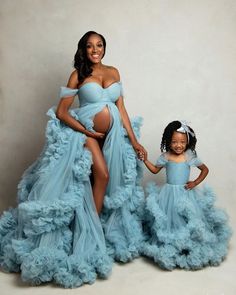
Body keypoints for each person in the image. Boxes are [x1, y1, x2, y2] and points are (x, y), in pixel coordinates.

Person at [0, 31, 146, 288]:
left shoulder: (114, 72)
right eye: (89, 46)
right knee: (101, 174)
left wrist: (134, 141)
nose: (95, 49)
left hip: (110, 137)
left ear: (104, 48)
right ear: (83, 49)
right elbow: (62, 112)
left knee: (97, 181)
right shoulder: (78, 74)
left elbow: (121, 108)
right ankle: (91, 232)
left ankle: (94, 222)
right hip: (85, 130)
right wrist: (87, 131)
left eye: (99, 45)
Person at [142, 120, 232, 270]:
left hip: (185, 193)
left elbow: (205, 170)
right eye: (174, 142)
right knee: (169, 218)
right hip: (169, 193)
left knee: (186, 218)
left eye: (182, 142)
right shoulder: (165, 156)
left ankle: (186, 244)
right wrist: (145, 160)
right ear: (168, 141)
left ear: (188, 142)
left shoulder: (189, 156)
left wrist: (195, 183)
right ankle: (172, 243)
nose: (178, 145)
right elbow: (154, 170)